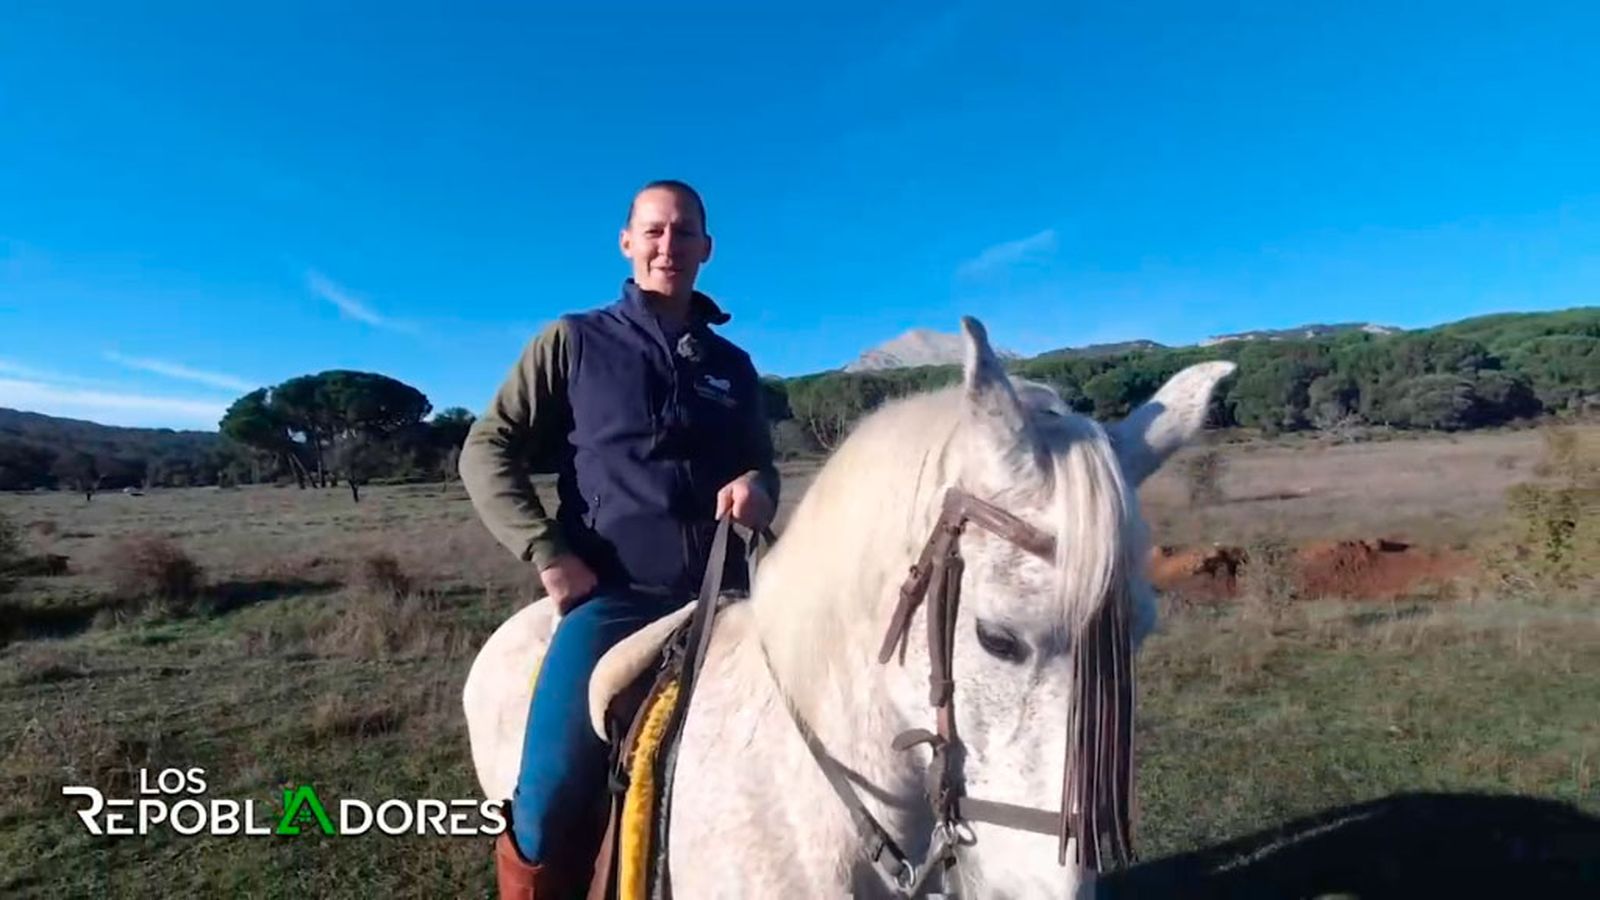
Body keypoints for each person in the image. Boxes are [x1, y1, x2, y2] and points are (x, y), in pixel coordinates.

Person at [459, 179, 780, 899]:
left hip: (731, 599)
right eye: (654, 231)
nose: (669, 245)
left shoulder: (732, 367)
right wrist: (547, 552)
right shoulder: (573, 340)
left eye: (684, 232)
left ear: (706, 248)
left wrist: (759, 487)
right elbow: (487, 448)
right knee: (549, 788)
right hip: (617, 598)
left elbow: (762, 464)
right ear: (628, 243)